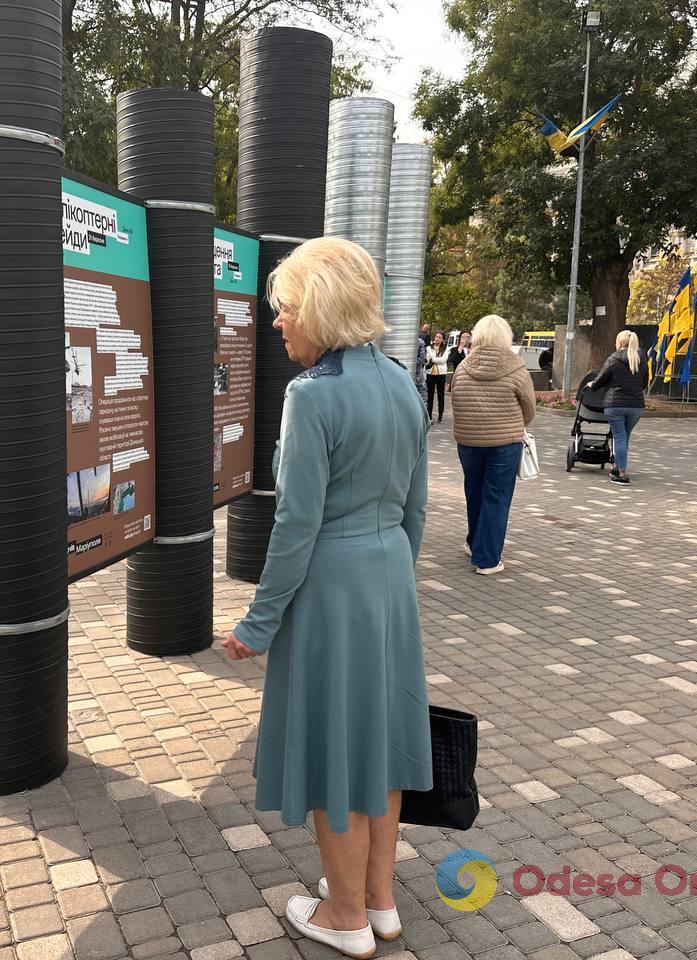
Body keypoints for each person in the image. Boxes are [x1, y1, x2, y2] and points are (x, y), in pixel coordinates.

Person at [222, 236, 432, 959]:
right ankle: (378, 901)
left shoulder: (312, 396)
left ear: (317, 308)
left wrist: (258, 621)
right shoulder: (404, 383)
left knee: (335, 752)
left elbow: (295, 524)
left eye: (284, 310)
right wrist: (392, 578)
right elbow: (417, 510)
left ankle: (342, 917)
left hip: (330, 588)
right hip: (387, 583)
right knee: (380, 746)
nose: (277, 323)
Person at [450, 314, 535, 574]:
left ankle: (474, 541)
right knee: (496, 497)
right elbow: (529, 407)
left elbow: (455, 399)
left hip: (468, 441)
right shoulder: (517, 368)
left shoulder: (463, 367)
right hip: (504, 443)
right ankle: (487, 559)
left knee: (474, 492)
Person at [587, 330, 647, 485]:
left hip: (615, 405)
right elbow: (644, 383)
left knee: (619, 436)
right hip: (636, 406)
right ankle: (617, 465)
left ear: (619, 343)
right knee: (624, 436)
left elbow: (599, 380)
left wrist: (591, 384)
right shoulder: (641, 358)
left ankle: (621, 473)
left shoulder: (613, 359)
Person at [426, 331, 450, 423]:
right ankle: (429, 416)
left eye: (440, 337)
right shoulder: (428, 348)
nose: (437, 338)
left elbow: (443, 360)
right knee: (430, 396)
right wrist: (433, 359)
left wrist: (433, 359)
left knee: (441, 395)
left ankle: (440, 416)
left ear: (442, 339)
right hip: (430, 373)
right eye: (436, 336)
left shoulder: (446, 348)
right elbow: (428, 359)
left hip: (441, 374)